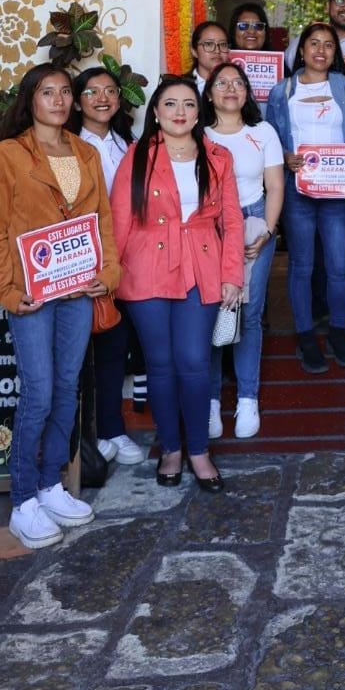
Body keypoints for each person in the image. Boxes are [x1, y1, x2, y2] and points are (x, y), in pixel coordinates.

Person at [0, 64, 121, 548]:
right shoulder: (8, 155)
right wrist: (4, 288)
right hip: (32, 294)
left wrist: (108, 274)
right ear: (31, 99)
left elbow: (101, 218)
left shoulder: (85, 152)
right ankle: (23, 500)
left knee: (66, 390)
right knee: (38, 392)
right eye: (48, 92)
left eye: (65, 92)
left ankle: (50, 484)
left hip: (79, 292)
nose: (59, 100)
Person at [110, 77, 243, 493]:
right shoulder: (137, 157)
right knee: (160, 364)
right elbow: (119, 219)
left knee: (194, 361)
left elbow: (233, 221)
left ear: (199, 111)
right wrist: (111, 274)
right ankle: (170, 448)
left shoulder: (218, 156)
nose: (180, 111)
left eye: (188, 103)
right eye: (170, 104)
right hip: (146, 266)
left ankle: (199, 451)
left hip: (201, 265)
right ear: (155, 113)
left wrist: (231, 275)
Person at [266, 23, 345, 374]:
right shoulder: (282, 91)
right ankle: (306, 336)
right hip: (299, 190)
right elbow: (271, 138)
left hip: (338, 191)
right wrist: (284, 156)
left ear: (335, 53)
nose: (321, 50)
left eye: (328, 45)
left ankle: (338, 332)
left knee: (339, 266)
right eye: (314, 43)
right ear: (302, 50)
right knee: (302, 265)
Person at [202, 61, 284, 439]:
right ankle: (212, 401)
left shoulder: (262, 131)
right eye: (222, 83)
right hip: (208, 225)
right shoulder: (198, 133)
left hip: (253, 221)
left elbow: (275, 185)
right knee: (214, 310)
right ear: (209, 92)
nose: (230, 89)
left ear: (248, 92)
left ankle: (248, 398)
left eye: (238, 83)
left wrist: (267, 229)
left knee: (249, 312)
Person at [286, 0, 345, 320]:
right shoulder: (288, 80)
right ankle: (312, 318)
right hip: (301, 183)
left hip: (343, 177)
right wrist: (284, 156)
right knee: (304, 259)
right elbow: (280, 126)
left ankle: (341, 310)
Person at [69, 68, 143, 467]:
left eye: (110, 91)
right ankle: (85, 438)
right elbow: (69, 210)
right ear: (77, 100)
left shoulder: (128, 144)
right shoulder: (67, 146)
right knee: (77, 353)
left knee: (115, 345)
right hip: (81, 261)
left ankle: (113, 427)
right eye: (91, 91)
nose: (102, 98)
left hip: (123, 260)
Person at [189, 21, 230, 95]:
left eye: (223, 44)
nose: (217, 51)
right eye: (209, 44)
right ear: (194, 51)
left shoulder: (235, 87)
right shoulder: (181, 86)